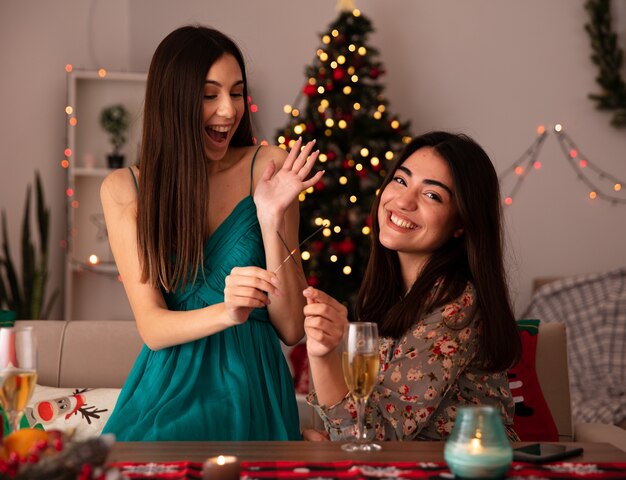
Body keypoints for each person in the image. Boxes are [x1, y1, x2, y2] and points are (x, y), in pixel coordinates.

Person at [99, 25, 323, 441]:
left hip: (251, 382)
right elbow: (152, 327)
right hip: (166, 385)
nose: (228, 110)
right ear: (174, 100)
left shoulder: (268, 166)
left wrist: (270, 217)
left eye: (236, 92)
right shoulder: (124, 189)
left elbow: (292, 328)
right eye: (209, 94)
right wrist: (228, 311)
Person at [302, 131, 521, 442]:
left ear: (461, 223)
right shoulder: (394, 292)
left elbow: (376, 437)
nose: (403, 201)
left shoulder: (456, 304)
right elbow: (366, 423)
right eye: (401, 181)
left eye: (432, 195)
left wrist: (323, 355)